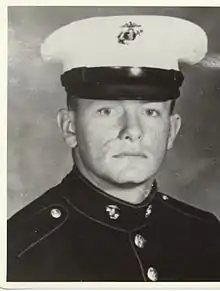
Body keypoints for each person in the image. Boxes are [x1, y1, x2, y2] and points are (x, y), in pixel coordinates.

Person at [7, 15, 220, 282]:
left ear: (172, 130)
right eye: (107, 111)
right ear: (69, 127)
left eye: (151, 112)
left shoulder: (206, 235)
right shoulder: (19, 249)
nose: (132, 131)